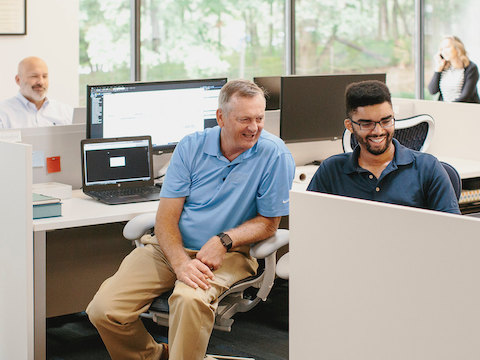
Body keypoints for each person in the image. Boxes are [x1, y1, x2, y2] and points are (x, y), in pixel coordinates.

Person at [86, 79, 295, 360]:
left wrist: (224, 241)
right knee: (104, 309)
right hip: (169, 248)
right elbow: (166, 218)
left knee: (188, 298)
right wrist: (181, 263)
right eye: (244, 119)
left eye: (259, 118)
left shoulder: (275, 154)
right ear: (220, 117)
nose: (254, 127)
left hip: (229, 254)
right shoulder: (191, 146)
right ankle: (156, 356)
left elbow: (269, 223)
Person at [307, 80, 460, 215]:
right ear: (350, 126)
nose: (378, 131)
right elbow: (309, 224)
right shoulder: (331, 170)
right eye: (367, 124)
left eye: (386, 121)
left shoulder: (428, 167)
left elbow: (452, 231)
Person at [0, 56, 73, 128]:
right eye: (34, 76)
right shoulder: (3, 113)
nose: (41, 82)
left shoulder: (66, 112)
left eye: (44, 76)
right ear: (18, 80)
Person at [428, 35, 480, 103]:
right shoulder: (443, 67)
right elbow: (432, 91)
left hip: (465, 109)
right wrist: (438, 69)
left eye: (447, 47)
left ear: (457, 48)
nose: (444, 51)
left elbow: (465, 96)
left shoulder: (471, 68)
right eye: (442, 49)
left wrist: (448, 107)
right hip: (447, 109)